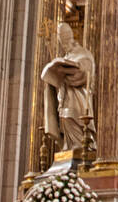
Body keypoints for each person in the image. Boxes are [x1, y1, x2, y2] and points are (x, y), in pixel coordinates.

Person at [41, 23, 96, 154]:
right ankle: (69, 147)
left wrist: (74, 68)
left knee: (75, 122)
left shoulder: (82, 53)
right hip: (65, 100)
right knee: (65, 121)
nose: (63, 44)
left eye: (64, 40)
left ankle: (78, 149)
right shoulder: (67, 56)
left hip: (78, 101)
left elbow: (85, 70)